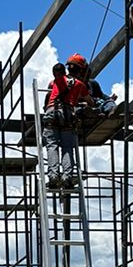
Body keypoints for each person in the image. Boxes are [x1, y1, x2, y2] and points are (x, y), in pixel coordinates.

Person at [41, 60, 88, 190]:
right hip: (67, 116)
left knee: (52, 147)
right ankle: (67, 177)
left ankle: (53, 176)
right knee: (67, 148)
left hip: (52, 113)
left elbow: (50, 93)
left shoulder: (55, 81)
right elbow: (90, 101)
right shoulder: (79, 84)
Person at [67, 53, 118, 117]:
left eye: (75, 71)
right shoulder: (68, 85)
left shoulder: (92, 84)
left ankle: (112, 111)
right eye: (72, 71)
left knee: (108, 103)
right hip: (79, 111)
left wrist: (110, 99)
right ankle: (93, 114)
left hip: (96, 108)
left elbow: (102, 96)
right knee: (80, 109)